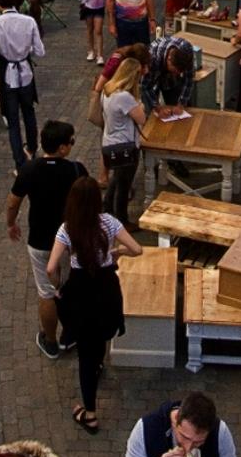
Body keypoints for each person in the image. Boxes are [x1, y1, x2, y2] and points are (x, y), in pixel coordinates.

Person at [47, 177, 143, 434]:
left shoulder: (67, 229)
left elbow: (51, 267)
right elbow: (137, 249)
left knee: (85, 357)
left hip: (80, 292)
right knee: (100, 337)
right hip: (106, 289)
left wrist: (57, 286)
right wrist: (117, 253)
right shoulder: (109, 223)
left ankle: (89, 413)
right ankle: (99, 363)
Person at [8, 121, 91, 359]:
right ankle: (71, 333)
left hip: (41, 241)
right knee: (72, 288)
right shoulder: (77, 170)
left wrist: (11, 224)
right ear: (63, 148)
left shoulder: (30, 169)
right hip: (72, 242)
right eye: (72, 142)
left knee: (46, 292)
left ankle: (51, 340)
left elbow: (13, 201)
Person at [0, 0, 47, 171]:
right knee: (29, 113)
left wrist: (0, 53)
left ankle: (20, 162)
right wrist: (24, 52)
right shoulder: (29, 21)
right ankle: (32, 149)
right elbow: (40, 51)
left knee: (13, 121)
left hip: (7, 76)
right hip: (25, 73)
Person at [98, 59, 148, 227]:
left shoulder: (107, 90)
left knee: (117, 178)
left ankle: (106, 207)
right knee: (124, 185)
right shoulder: (125, 97)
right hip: (125, 145)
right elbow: (141, 118)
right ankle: (121, 220)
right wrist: (139, 104)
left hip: (109, 142)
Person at [143, 34, 197, 117]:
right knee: (152, 115)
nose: (176, 74)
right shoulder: (152, 57)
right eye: (175, 71)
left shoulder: (187, 50)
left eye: (179, 72)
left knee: (177, 107)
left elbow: (189, 78)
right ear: (169, 59)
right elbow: (146, 86)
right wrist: (158, 108)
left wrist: (181, 104)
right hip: (154, 75)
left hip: (169, 79)